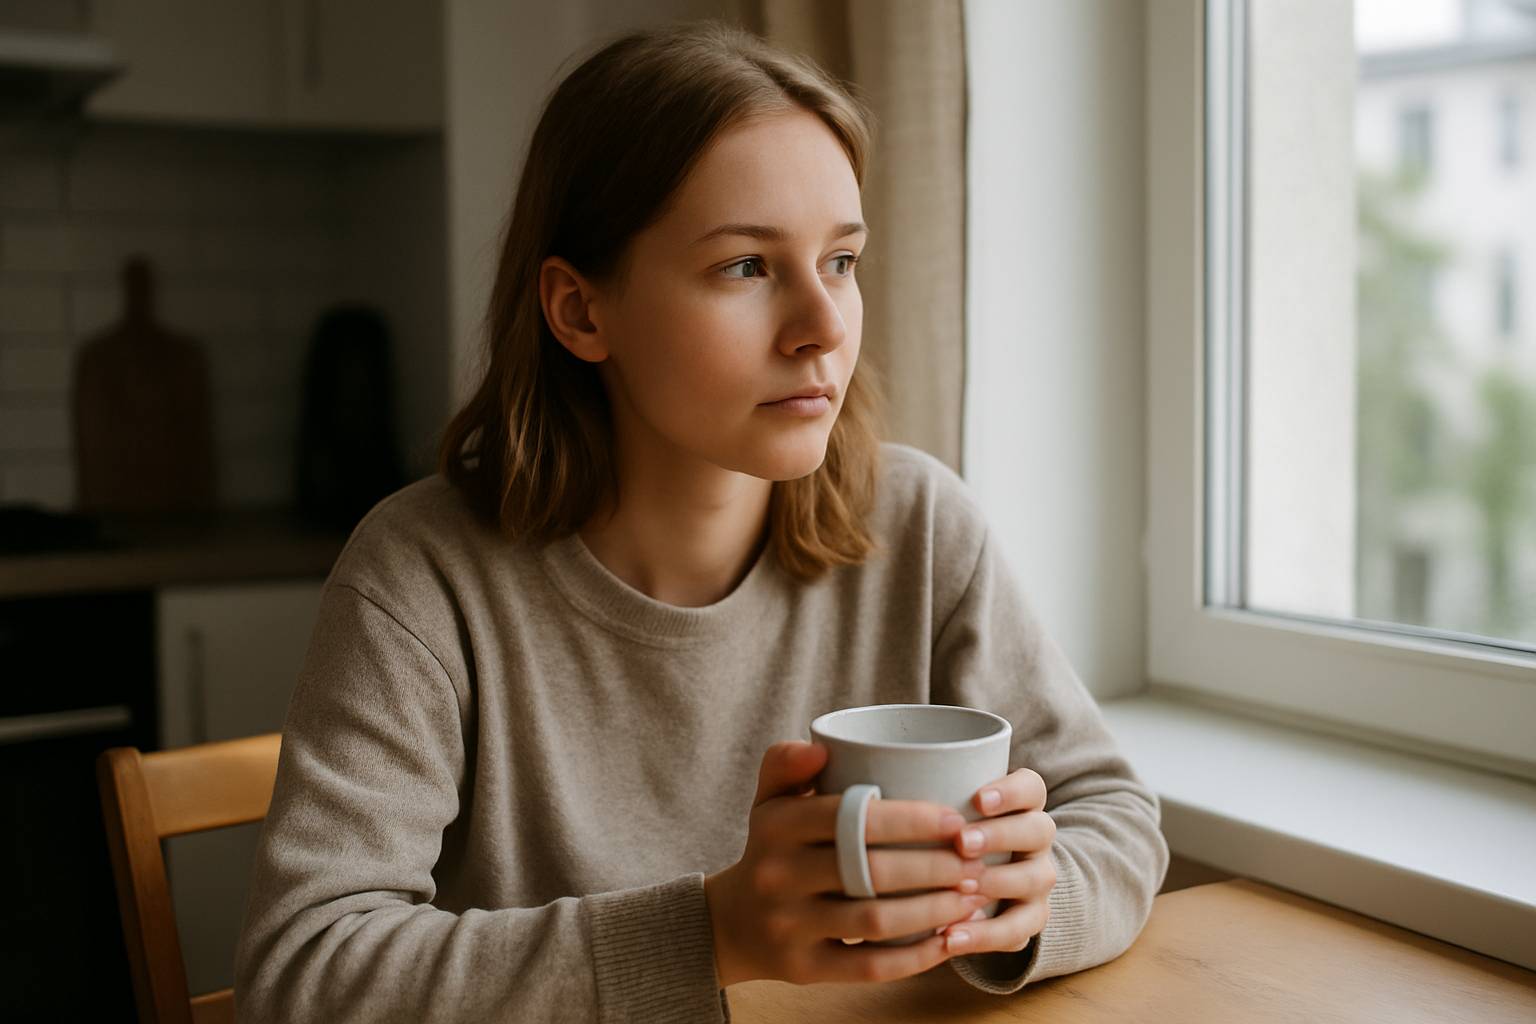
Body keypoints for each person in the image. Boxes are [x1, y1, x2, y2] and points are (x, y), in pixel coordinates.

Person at [233, 18, 1168, 1023]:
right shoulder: (423, 575)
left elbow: (1116, 816)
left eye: (841, 260)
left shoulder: (921, 525)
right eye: (746, 267)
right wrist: (711, 933)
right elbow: (302, 975)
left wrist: (1021, 903)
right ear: (581, 311)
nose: (824, 327)